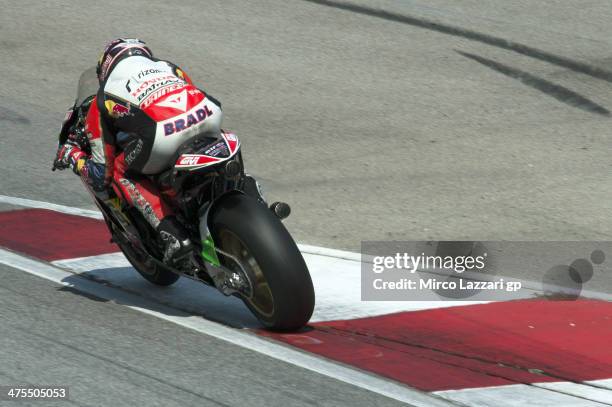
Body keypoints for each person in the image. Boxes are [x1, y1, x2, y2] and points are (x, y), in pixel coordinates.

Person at [54, 38, 225, 265]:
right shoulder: (167, 66)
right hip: (209, 114)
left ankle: (172, 233)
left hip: (163, 135)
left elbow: (100, 173)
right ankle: (248, 191)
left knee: (118, 171)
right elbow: (188, 93)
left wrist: (72, 156)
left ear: (105, 67)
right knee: (222, 140)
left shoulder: (103, 97)